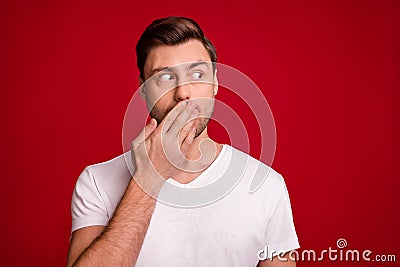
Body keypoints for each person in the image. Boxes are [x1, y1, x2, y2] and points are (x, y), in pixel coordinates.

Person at [67, 16, 299, 267]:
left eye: (197, 73)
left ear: (215, 83)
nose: (183, 93)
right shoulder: (97, 182)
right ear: (143, 90)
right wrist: (147, 180)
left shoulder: (266, 185)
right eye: (165, 78)